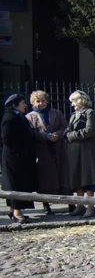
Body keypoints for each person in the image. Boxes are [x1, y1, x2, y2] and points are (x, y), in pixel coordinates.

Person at [26, 90, 69, 214]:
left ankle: (71, 202)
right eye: (37, 101)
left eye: (43, 100)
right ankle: (46, 205)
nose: (40, 103)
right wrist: (45, 136)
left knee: (63, 176)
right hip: (43, 151)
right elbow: (31, 132)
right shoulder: (30, 117)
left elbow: (65, 126)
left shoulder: (56, 113)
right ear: (33, 103)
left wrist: (57, 134)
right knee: (45, 178)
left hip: (58, 148)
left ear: (47, 101)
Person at [65, 91, 95, 218]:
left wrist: (72, 135)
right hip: (75, 152)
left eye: (74, 101)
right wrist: (66, 133)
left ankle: (91, 206)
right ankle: (80, 205)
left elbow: (90, 130)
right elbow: (69, 129)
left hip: (87, 151)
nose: (72, 105)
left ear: (81, 101)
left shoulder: (90, 113)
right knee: (77, 177)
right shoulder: (74, 114)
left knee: (88, 178)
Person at [2, 94, 37, 223]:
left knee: (20, 184)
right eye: (23, 103)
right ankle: (17, 212)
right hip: (14, 158)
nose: (25, 105)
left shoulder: (19, 116)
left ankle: (14, 210)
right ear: (15, 105)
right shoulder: (9, 118)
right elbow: (7, 139)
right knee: (15, 185)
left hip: (22, 157)